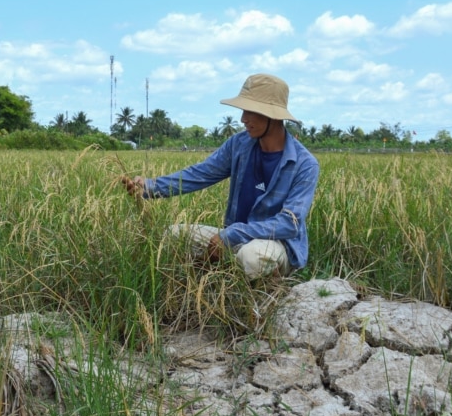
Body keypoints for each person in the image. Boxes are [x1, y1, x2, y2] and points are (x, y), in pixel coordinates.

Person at [122, 73, 319, 279]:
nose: (243, 119)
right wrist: (151, 187)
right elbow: (200, 174)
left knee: (252, 257)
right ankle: (215, 278)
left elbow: (289, 223)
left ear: (273, 116)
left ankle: (269, 287)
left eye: (251, 111)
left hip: (275, 245)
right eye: (244, 110)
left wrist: (231, 235)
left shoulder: (304, 164)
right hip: (234, 239)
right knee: (173, 235)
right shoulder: (239, 145)